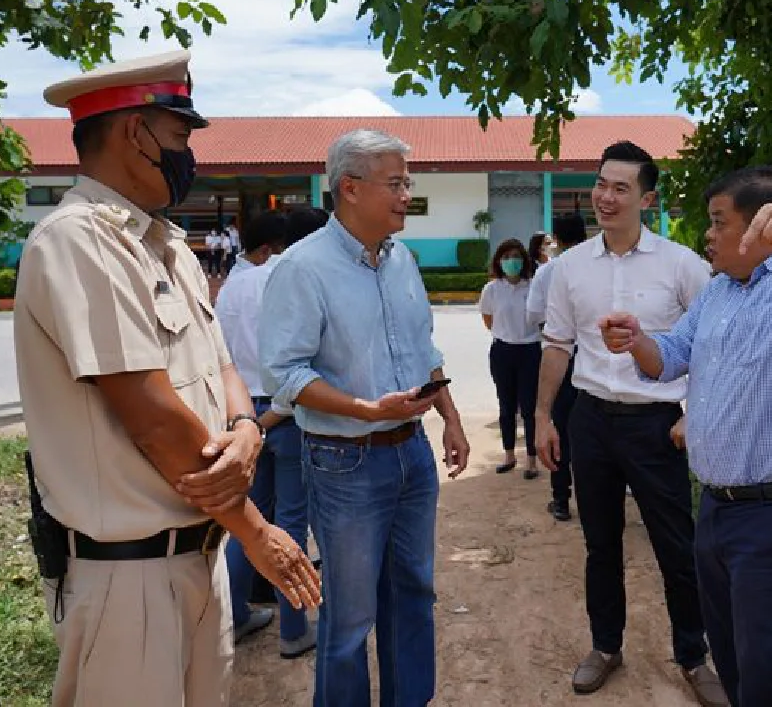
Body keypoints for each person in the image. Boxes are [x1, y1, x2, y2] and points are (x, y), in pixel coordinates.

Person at [15, 49, 319, 706]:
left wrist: (244, 430)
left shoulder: (166, 246)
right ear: (134, 133)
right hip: (128, 577)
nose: (189, 158)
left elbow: (224, 363)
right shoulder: (78, 241)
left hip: (197, 555)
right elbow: (153, 417)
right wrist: (257, 533)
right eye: (180, 137)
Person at [600, 164, 772, 707]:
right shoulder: (718, 293)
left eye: (720, 223)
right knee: (738, 667)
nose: (709, 235)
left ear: (764, 230)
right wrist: (637, 340)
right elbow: (670, 359)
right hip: (721, 511)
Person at [259, 128, 471, 707]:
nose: (407, 194)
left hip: (412, 453)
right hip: (344, 462)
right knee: (350, 616)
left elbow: (425, 351)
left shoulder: (402, 261)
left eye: (408, 182)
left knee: (414, 593)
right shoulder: (303, 268)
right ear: (349, 188)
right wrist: (363, 409)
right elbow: (286, 376)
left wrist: (449, 417)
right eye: (396, 183)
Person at [535, 141, 724, 704]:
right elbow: (557, 345)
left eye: (621, 187)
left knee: (676, 545)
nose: (606, 197)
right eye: (601, 184)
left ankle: (694, 655)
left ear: (647, 197)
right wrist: (545, 416)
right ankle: (606, 646)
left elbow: (714, 343)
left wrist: (697, 412)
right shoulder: (568, 267)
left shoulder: (682, 265)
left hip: (655, 423)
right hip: (590, 419)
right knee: (601, 544)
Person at [216, 207, 328, 656]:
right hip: (283, 413)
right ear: (271, 248)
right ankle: (294, 629)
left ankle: (236, 616)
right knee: (291, 524)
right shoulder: (284, 278)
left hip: (244, 416)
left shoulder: (228, 289)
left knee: (249, 523)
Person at [525, 212, 588, 521]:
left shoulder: (549, 271)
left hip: (559, 359)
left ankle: (561, 500)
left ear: (558, 239)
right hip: (595, 360)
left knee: (559, 427)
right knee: (595, 430)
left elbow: (533, 315)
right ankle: (596, 500)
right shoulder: (598, 265)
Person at [480, 238, 541, 478]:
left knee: (529, 408)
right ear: (498, 261)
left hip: (530, 351)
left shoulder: (533, 286)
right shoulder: (492, 289)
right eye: (505, 258)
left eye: (515, 257)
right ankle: (509, 455)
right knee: (506, 406)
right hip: (502, 351)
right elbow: (488, 320)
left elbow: (541, 318)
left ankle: (532, 460)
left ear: (523, 260)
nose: (510, 262)